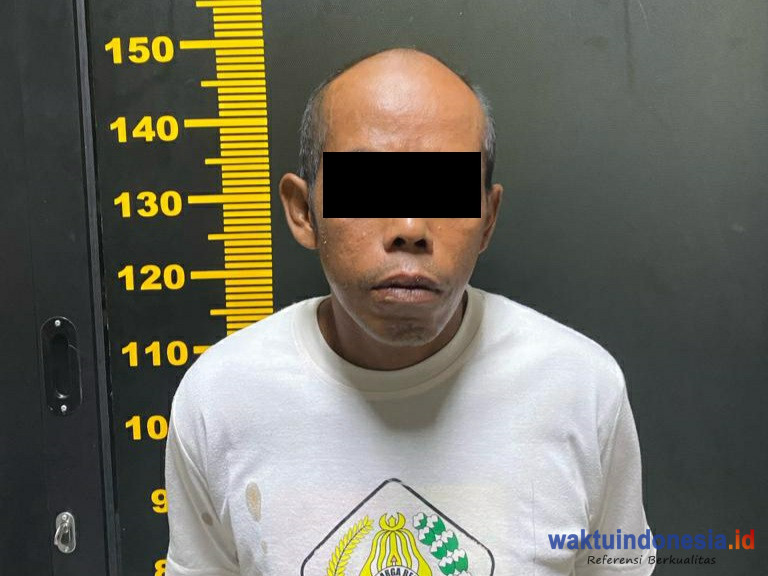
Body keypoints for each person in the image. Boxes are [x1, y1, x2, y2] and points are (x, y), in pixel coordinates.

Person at [165, 47, 656, 576]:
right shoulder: (220, 398)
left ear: (488, 219)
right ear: (304, 212)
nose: (409, 227)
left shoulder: (581, 389)